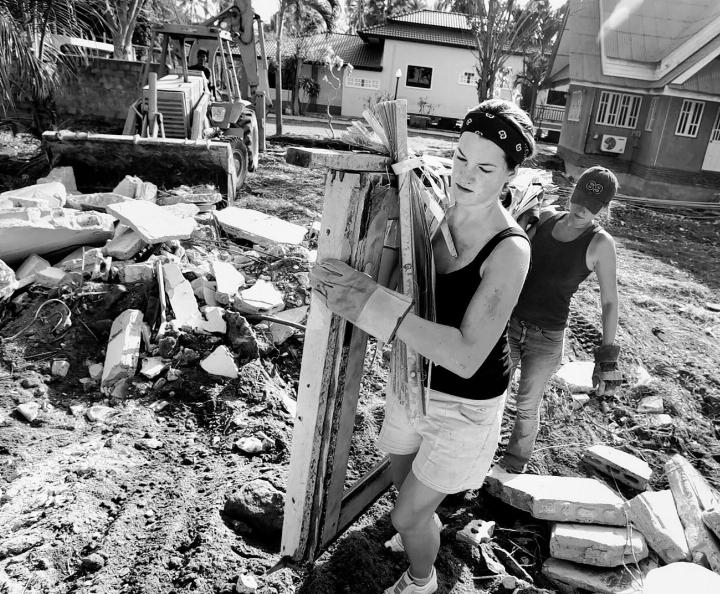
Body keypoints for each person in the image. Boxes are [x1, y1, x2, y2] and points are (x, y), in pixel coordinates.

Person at [310, 99, 536, 594]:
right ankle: (419, 532)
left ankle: (421, 580)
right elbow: (401, 283)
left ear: (509, 177)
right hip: (413, 379)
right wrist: (386, 235)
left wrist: (371, 304)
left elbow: (464, 353)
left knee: (405, 513)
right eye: (459, 157)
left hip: (464, 405)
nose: (465, 174)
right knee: (405, 489)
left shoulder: (510, 250)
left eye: (484, 167)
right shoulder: (436, 215)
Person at [497, 165, 621, 474]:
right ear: (572, 192)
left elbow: (609, 301)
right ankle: (478, 454)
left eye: (592, 207)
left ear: (603, 209)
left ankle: (513, 464)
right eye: (578, 199)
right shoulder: (545, 217)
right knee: (493, 395)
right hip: (510, 325)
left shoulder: (600, 243)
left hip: (546, 338)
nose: (581, 209)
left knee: (526, 406)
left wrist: (607, 357)